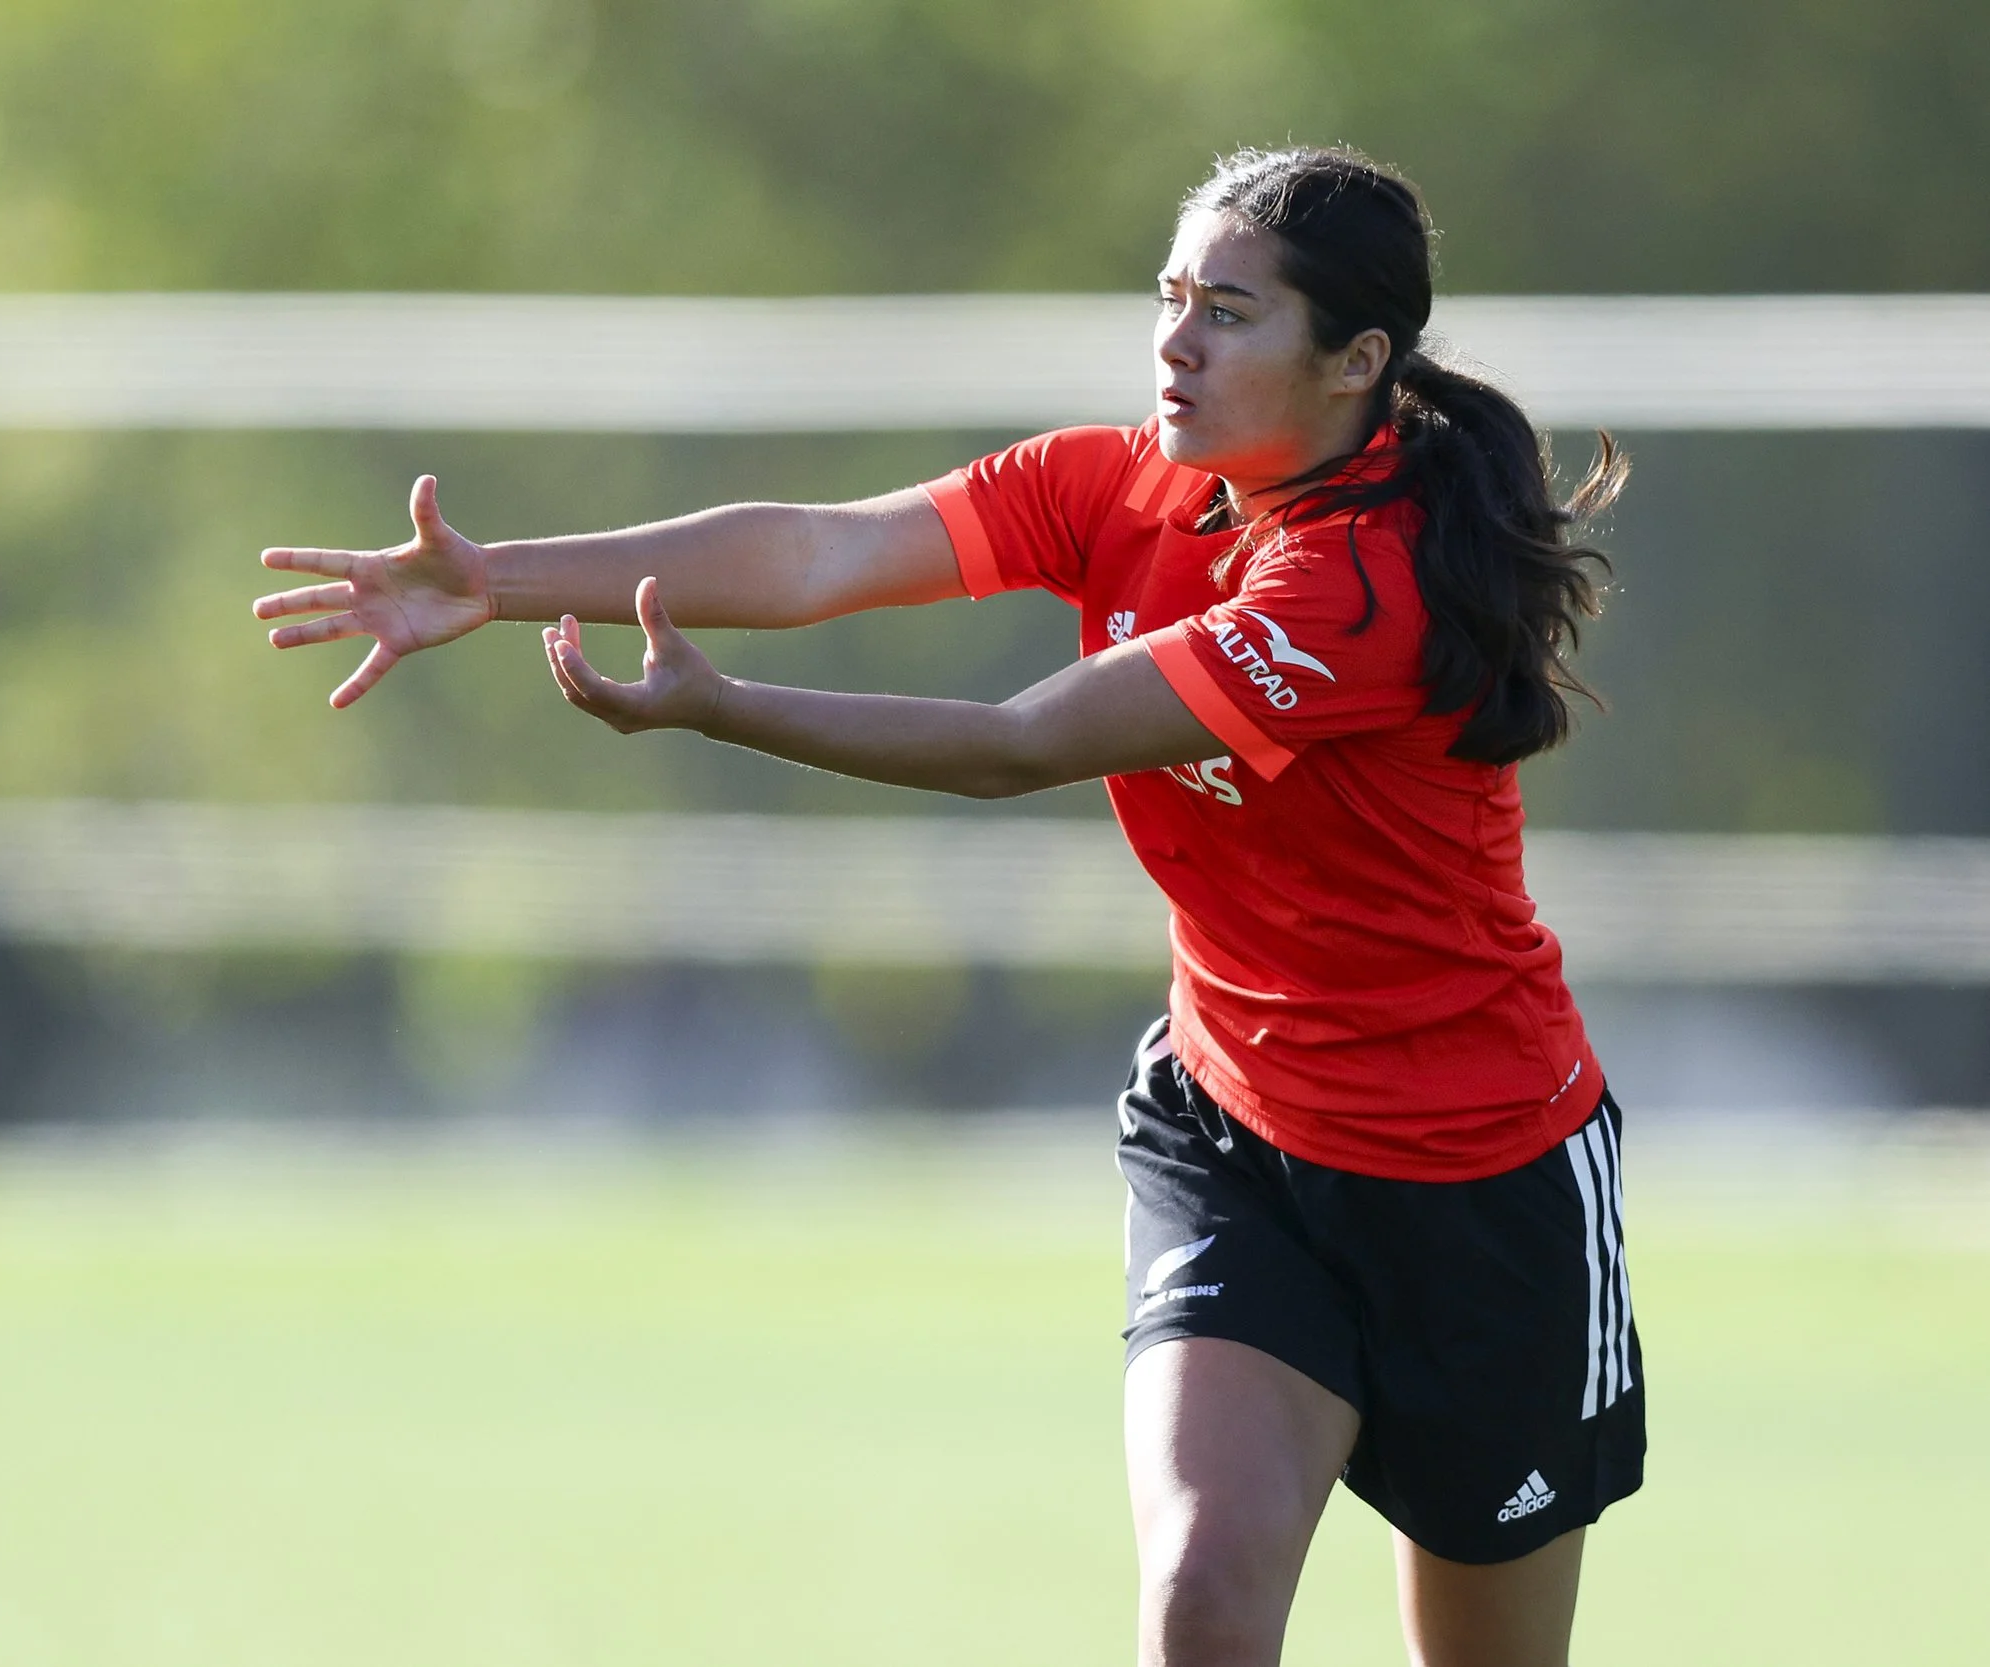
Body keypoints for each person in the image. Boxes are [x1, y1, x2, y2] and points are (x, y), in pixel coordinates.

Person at [253, 145, 1637, 1667]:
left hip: (1480, 1182)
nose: (1176, 340)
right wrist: (498, 578)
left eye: (1231, 312)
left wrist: (722, 709)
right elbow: (820, 546)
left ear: (1358, 359)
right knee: (1200, 1599)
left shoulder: (1360, 589)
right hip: (1241, 1131)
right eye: (1170, 297)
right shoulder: (1117, 485)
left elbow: (1018, 745)